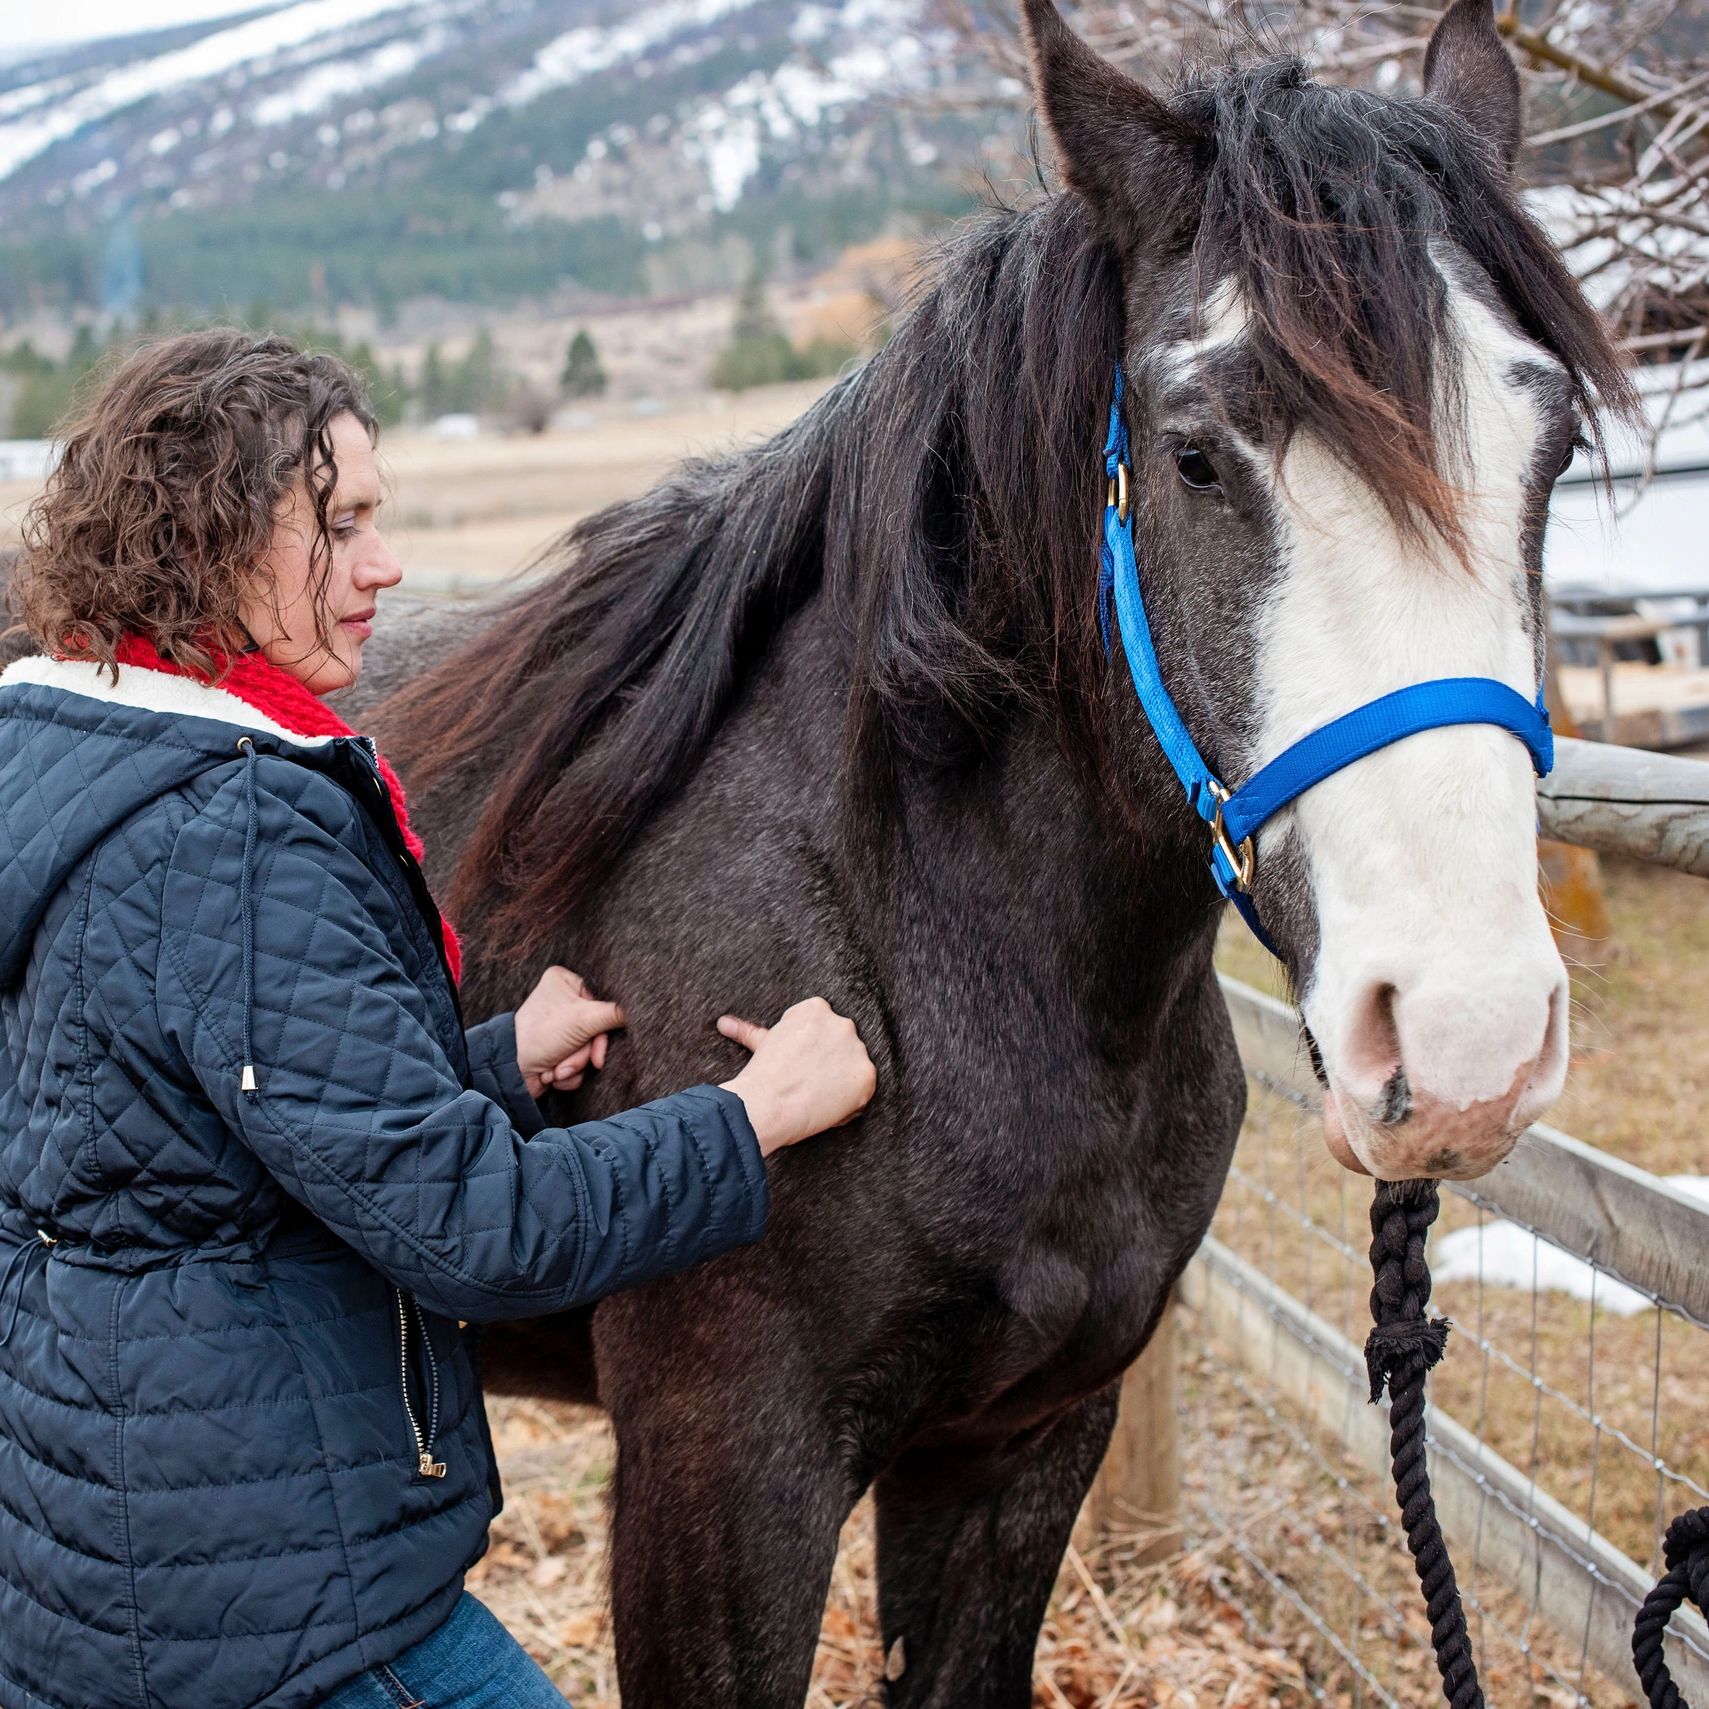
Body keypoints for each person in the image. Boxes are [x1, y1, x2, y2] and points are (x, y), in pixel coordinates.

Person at [0, 329, 876, 1709]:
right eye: (336, 526)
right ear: (208, 541)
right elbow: (478, 1231)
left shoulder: (90, 751)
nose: (382, 567)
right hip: (274, 1599)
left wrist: (488, 1064)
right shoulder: (233, 826)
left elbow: (200, 1126)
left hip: (116, 1539)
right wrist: (749, 1119)